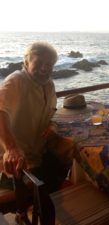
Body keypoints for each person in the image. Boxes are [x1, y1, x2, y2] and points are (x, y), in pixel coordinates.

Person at [0, 42, 73, 222]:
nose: (44, 68)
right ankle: (25, 212)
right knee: (46, 191)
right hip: (16, 163)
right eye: (38, 62)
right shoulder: (17, 80)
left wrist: (52, 126)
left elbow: (51, 114)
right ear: (27, 61)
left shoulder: (49, 85)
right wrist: (10, 148)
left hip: (38, 154)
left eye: (49, 64)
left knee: (69, 158)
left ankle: (29, 209)